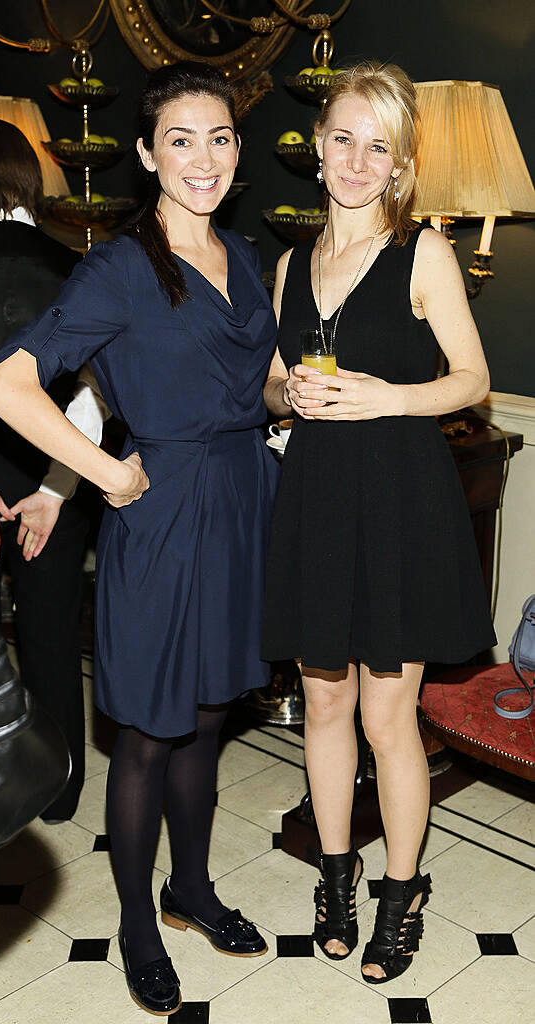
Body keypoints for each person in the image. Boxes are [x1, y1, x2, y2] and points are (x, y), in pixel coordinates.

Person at [0, 63, 278, 1016]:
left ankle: (189, 890)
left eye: (222, 137)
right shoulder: (117, 267)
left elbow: (251, 382)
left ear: (238, 154)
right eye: (183, 139)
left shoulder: (244, 253)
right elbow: (11, 383)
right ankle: (137, 926)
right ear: (150, 154)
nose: (205, 157)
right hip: (158, 516)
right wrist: (102, 472)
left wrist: (292, 396)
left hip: (244, 503)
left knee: (205, 718)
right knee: (149, 737)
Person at [262, 61, 496, 983]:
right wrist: (288, 393)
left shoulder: (424, 254)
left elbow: (471, 380)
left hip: (398, 500)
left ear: (399, 164)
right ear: (318, 149)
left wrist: (386, 398)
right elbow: (274, 384)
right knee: (323, 700)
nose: (359, 160)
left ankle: (400, 897)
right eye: (344, 138)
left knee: (390, 716)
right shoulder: (290, 264)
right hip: (317, 496)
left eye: (380, 146)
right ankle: (336, 875)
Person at [0, 118, 108, 822]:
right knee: (51, 634)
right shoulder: (77, 265)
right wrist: (52, 489)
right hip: (53, 481)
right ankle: (60, 790)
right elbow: (97, 393)